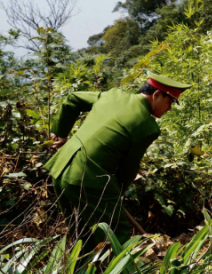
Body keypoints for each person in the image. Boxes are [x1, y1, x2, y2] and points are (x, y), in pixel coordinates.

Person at [45, 73, 191, 249]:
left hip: (60, 170)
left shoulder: (113, 95)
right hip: (88, 178)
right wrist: (117, 195)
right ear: (157, 95)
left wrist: (60, 133)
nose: (169, 109)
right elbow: (128, 169)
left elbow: (72, 99)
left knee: (81, 232)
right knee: (117, 232)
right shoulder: (147, 126)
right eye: (170, 102)